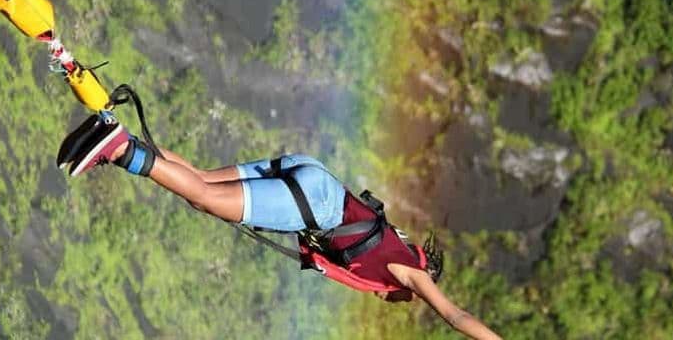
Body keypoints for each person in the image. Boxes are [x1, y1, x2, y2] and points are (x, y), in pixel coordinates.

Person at [57, 113, 502, 340]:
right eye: (409, 299)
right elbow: (455, 315)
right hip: (319, 204)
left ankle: (116, 133)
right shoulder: (409, 272)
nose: (402, 302)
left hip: (313, 174)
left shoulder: (394, 247)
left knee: (203, 185)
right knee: (203, 195)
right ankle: (118, 150)